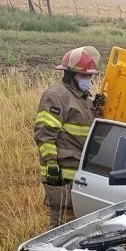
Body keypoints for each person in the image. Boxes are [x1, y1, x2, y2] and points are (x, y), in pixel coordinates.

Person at [34, 46, 102, 229]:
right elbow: (44, 134)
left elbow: (94, 125)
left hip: (81, 172)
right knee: (61, 224)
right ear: (70, 75)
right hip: (62, 173)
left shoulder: (85, 100)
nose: (88, 80)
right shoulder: (56, 96)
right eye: (84, 76)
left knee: (79, 224)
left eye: (90, 76)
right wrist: (51, 166)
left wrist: (101, 105)